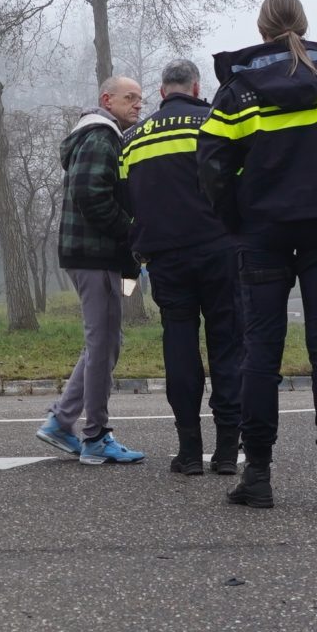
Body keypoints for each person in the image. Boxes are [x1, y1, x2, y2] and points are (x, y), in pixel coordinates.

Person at [199, 0, 317, 511]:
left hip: (260, 233)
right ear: (304, 24)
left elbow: (210, 162)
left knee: (260, 352)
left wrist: (236, 216)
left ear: (261, 30)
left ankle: (256, 475)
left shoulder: (237, 92)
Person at [119, 60, 244, 476]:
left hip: (165, 257)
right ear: (196, 89)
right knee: (227, 344)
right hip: (220, 251)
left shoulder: (133, 137)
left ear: (160, 92)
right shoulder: (214, 122)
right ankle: (228, 451)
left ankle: (189, 451)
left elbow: (125, 199)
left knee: (179, 347)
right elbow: (238, 180)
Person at [37, 77, 147, 466]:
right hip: (94, 255)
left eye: (140, 99)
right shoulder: (102, 136)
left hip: (93, 255)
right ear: (107, 99)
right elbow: (90, 194)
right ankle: (95, 436)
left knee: (106, 342)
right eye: (130, 98)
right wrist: (131, 231)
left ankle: (61, 421)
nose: (137, 105)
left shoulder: (101, 135)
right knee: (103, 344)